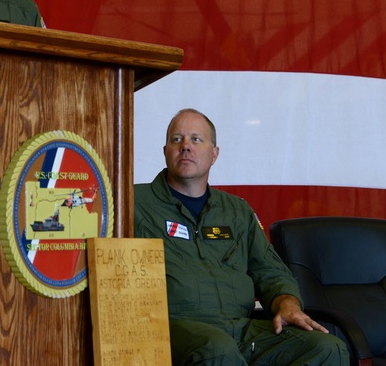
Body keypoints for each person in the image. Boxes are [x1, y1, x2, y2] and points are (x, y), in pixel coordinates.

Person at [133, 108, 349, 365]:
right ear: (165, 151)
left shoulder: (237, 211)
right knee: (217, 350)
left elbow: (272, 273)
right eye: (177, 139)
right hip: (171, 330)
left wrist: (287, 304)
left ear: (214, 154)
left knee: (327, 348)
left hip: (242, 330)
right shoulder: (133, 203)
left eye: (196, 139)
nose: (186, 147)